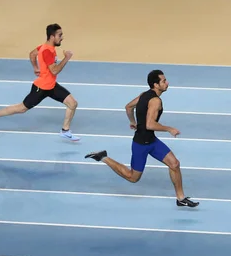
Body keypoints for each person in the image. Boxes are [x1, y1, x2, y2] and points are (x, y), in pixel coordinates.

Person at [85, 70, 199, 207]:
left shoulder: (144, 95)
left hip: (152, 141)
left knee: (174, 164)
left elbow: (128, 107)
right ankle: (103, 157)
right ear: (156, 85)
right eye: (163, 81)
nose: (167, 83)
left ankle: (180, 198)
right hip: (141, 144)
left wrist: (133, 122)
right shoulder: (156, 101)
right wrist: (169, 129)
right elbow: (150, 124)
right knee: (133, 177)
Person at [0, 23, 80, 141]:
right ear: (52, 37)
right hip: (41, 88)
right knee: (22, 108)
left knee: (72, 103)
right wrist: (66, 58)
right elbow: (54, 71)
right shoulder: (47, 51)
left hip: (51, 86)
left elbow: (32, 54)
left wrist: (36, 67)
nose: (62, 37)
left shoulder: (44, 47)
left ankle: (65, 130)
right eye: (59, 35)